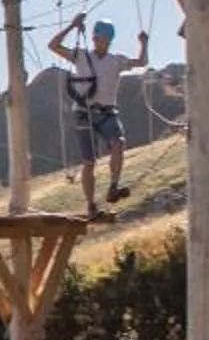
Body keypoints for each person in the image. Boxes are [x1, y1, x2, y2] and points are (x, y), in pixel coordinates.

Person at [50, 14, 150, 219]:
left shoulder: (116, 61)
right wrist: (72, 26)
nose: (97, 41)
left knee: (118, 143)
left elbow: (142, 61)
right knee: (89, 162)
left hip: (106, 112)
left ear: (108, 40)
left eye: (101, 38)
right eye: (96, 37)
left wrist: (143, 44)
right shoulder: (81, 56)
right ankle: (91, 206)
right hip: (84, 112)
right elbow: (53, 45)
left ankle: (113, 186)